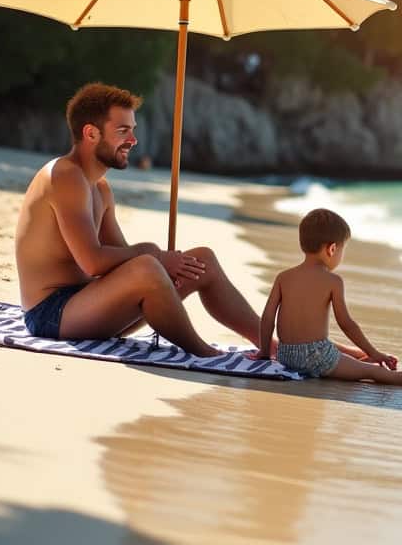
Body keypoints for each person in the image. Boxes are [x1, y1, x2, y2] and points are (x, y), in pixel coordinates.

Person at [14, 82, 263, 357]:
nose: (133, 140)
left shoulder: (100, 188)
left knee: (202, 261)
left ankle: (270, 345)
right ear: (91, 133)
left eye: (132, 130)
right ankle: (204, 353)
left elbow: (121, 261)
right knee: (147, 267)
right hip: (51, 313)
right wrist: (153, 255)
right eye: (123, 131)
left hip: (89, 302)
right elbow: (92, 262)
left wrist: (164, 266)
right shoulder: (65, 175)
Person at [254, 208, 402, 386]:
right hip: (319, 358)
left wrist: (264, 352)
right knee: (369, 371)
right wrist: (375, 352)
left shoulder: (283, 277)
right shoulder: (333, 281)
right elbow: (346, 324)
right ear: (332, 249)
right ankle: (388, 374)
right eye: (342, 250)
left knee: (325, 345)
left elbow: (268, 318)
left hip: (286, 355)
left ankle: (356, 358)